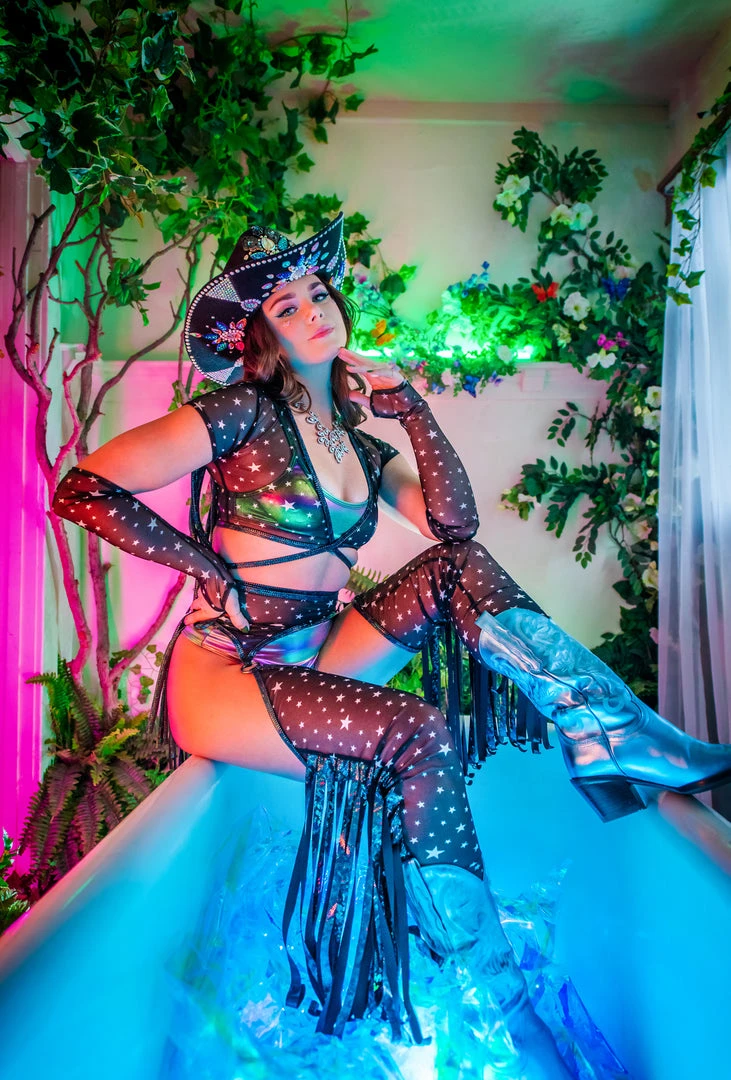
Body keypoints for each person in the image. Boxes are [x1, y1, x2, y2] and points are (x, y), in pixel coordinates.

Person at [52, 212, 731, 1077]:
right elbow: (84, 488)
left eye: (319, 294)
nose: (313, 311)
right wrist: (203, 566)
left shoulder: (361, 445)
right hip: (231, 670)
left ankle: (610, 730)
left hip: (317, 648)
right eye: (287, 305)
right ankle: (501, 1006)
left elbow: (454, 527)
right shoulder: (236, 412)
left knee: (458, 568)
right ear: (260, 334)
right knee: (417, 730)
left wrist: (410, 409)